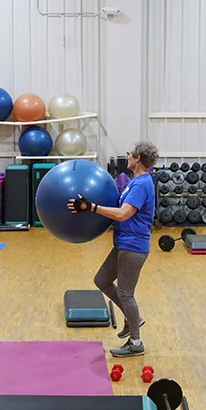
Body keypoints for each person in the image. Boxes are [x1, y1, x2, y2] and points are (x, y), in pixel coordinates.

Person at [69, 141, 158, 359]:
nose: (127, 156)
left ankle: (136, 342)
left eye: (129, 154)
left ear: (138, 158)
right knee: (102, 280)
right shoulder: (135, 182)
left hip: (133, 246)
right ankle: (133, 318)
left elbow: (123, 214)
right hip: (123, 243)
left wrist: (92, 207)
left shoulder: (141, 185)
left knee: (126, 293)